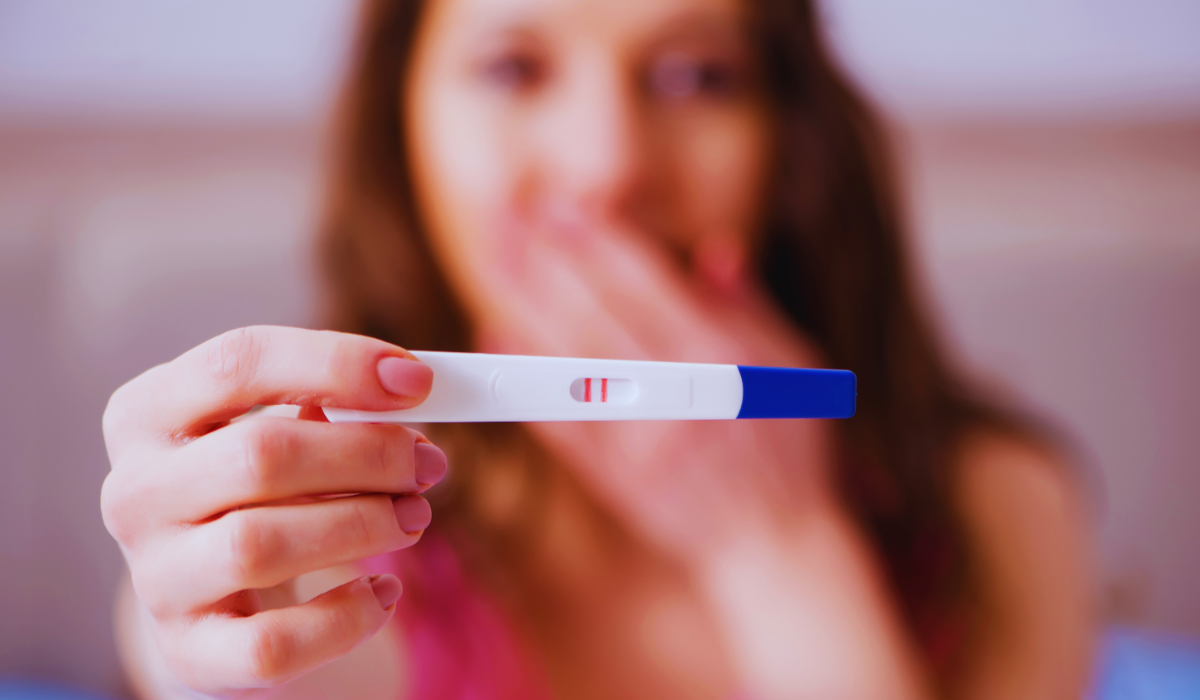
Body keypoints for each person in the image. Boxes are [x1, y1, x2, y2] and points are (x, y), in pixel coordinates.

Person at [100, 0, 1095, 697]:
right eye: (512, 67)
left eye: (697, 75)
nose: (607, 166)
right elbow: (249, 657)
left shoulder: (999, 508)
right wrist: (207, 639)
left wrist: (783, 553)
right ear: (400, 124)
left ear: (792, 137)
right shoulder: (337, 518)